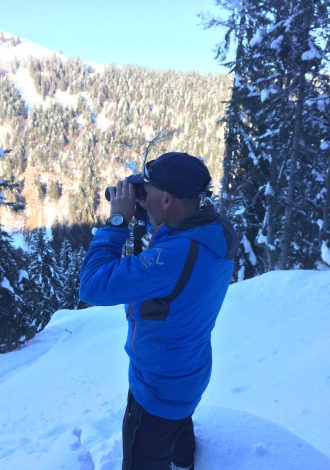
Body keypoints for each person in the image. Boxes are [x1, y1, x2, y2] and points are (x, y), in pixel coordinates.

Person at [79, 152, 238, 470]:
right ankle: (183, 463)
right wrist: (152, 219)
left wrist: (118, 222)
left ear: (167, 199)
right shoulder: (212, 232)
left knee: (145, 453)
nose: (141, 198)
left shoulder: (176, 254)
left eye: (146, 192)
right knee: (179, 433)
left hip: (155, 388)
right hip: (188, 371)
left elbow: (92, 287)